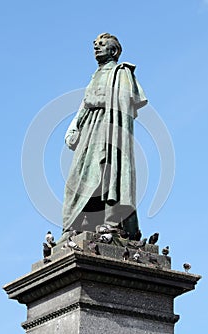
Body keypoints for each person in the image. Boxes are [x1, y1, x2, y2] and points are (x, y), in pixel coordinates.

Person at [62, 33, 147, 238]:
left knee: (107, 172)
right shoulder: (95, 76)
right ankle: (79, 222)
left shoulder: (122, 72)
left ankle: (111, 220)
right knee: (79, 176)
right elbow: (85, 104)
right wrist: (74, 126)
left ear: (114, 51)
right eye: (95, 45)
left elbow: (125, 105)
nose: (97, 48)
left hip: (109, 126)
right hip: (90, 128)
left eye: (102, 45)